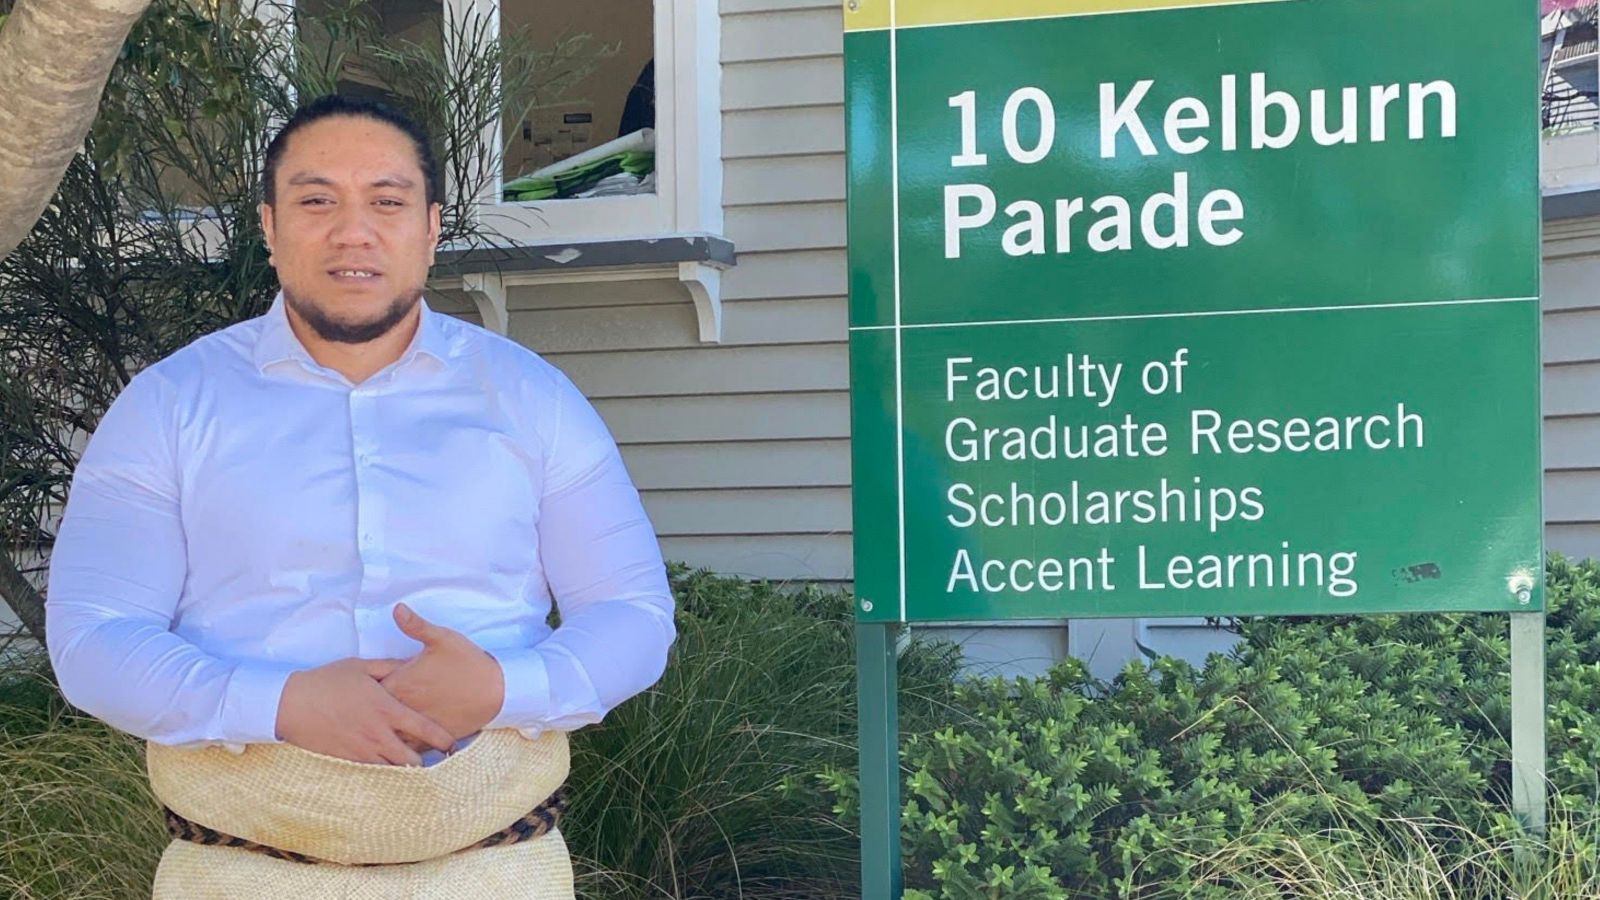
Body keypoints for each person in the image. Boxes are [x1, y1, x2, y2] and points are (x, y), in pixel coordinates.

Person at [45, 94, 676, 898]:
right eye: (317, 201)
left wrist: (501, 687)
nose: (354, 232)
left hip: (493, 869)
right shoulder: (170, 406)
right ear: (269, 228)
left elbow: (634, 614)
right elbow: (93, 639)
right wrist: (278, 704)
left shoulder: (531, 398)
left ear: (431, 226)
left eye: (387, 201)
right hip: (240, 872)